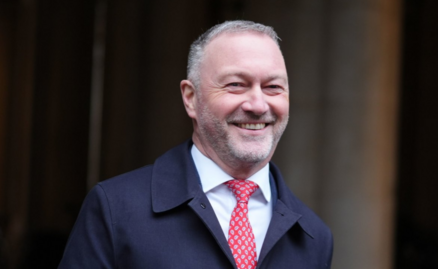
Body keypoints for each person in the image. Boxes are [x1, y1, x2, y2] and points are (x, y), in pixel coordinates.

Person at [59, 20, 333, 269]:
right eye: (236, 84)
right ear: (191, 98)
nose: (258, 105)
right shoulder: (114, 210)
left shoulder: (314, 237)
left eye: (273, 87)